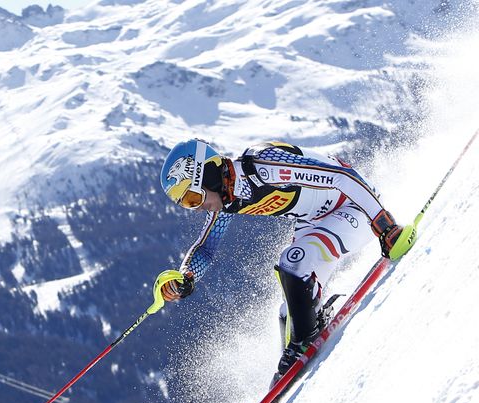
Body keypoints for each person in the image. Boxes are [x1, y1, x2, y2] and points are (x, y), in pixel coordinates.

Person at [154, 138, 416, 379]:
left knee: (292, 262)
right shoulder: (228, 199)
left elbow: (342, 176)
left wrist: (385, 225)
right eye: (187, 204)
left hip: (355, 208)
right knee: (288, 313)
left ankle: (301, 345)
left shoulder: (263, 166)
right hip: (315, 222)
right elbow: (205, 249)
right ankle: (292, 363)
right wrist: (186, 276)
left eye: (192, 197)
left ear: (208, 174)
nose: (197, 207)